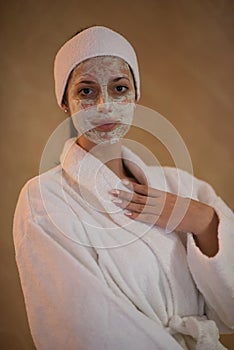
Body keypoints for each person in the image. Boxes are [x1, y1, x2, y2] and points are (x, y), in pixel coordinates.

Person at [13, 26, 234, 350]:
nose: (104, 105)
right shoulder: (44, 200)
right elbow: (84, 329)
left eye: (119, 88)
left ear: (136, 95)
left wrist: (202, 221)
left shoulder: (182, 186)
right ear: (65, 102)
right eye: (86, 91)